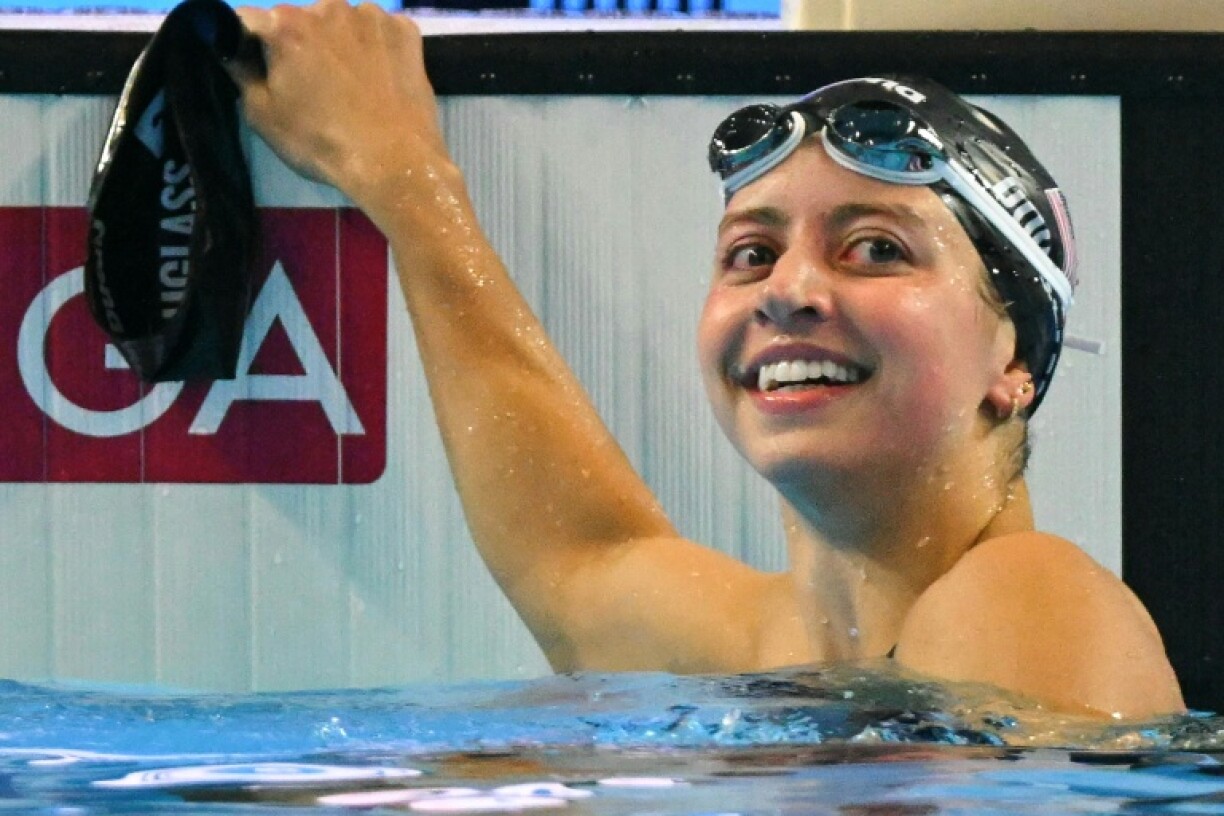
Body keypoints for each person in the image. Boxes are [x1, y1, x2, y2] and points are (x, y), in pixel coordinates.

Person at [227, 0, 1184, 718]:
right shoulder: (764, 646)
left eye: (876, 249)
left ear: (1013, 358)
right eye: (751, 255)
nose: (788, 290)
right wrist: (406, 182)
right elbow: (576, 554)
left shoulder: (1025, 595)